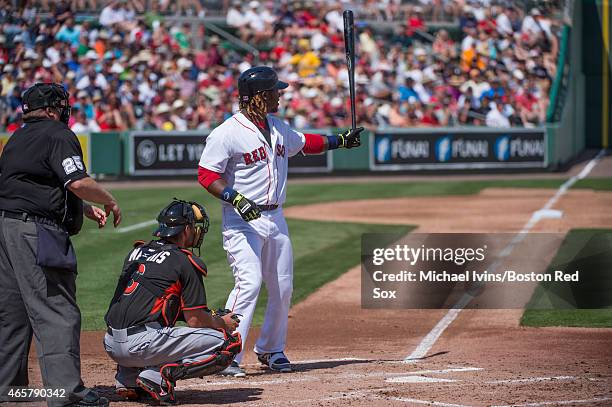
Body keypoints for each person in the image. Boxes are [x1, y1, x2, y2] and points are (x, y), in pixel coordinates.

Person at [197, 66, 363, 377]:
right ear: (260, 96)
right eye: (275, 91)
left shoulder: (276, 127)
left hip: (276, 216)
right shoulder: (226, 133)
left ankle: (271, 349)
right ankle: (227, 354)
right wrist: (234, 197)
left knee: (283, 286)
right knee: (249, 282)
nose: (280, 95)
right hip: (242, 220)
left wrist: (340, 140)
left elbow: (306, 143)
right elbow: (207, 174)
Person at [0, 83, 122, 407]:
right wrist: (109, 200)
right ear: (53, 109)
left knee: (13, 314)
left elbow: (33, 185)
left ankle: (8, 391)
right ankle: (66, 394)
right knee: (57, 310)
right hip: (35, 233)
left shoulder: (16, 138)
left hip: (6, 230)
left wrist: (81, 206)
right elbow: (77, 181)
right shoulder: (58, 134)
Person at [103, 199, 242, 404]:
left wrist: (211, 315)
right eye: (194, 227)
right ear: (186, 229)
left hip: (111, 343)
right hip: (141, 345)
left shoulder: (136, 252)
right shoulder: (184, 261)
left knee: (152, 323)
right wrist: (222, 323)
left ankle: (127, 379)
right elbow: (194, 319)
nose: (197, 231)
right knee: (226, 344)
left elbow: (155, 305)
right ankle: (158, 376)